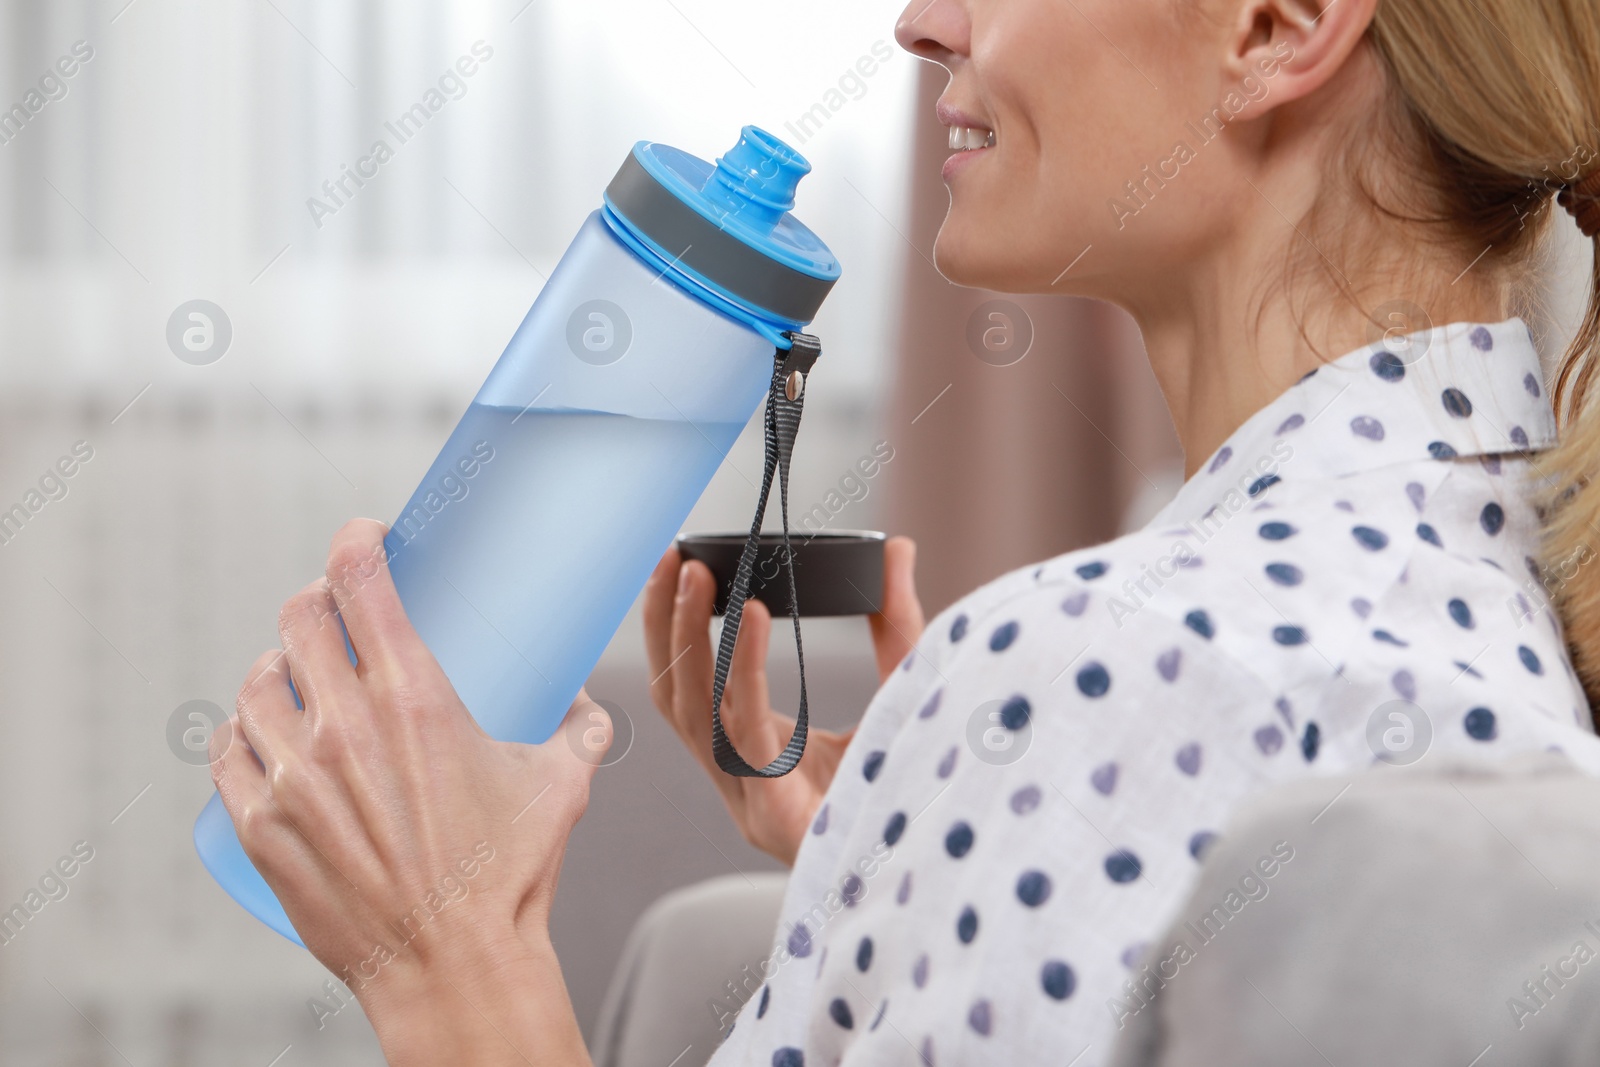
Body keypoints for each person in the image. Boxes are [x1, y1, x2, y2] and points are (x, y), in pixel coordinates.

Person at [209, 0, 1600, 1062]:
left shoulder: (1113, 664)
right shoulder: (1500, 575)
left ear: (1278, 24)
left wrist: (441, 954)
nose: (920, 22)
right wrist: (928, 842)